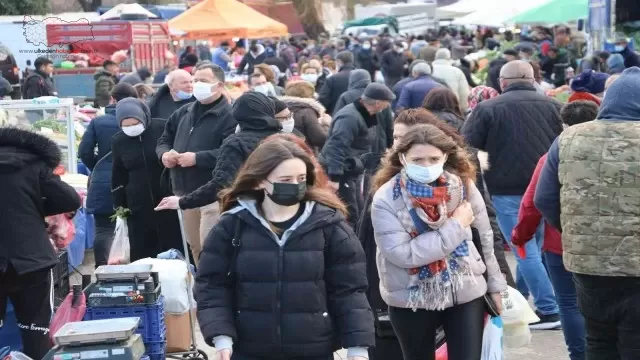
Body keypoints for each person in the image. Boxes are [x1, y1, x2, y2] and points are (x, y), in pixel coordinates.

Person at [194, 139, 374, 360]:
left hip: (313, 348)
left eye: (301, 179)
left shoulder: (330, 226)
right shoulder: (232, 226)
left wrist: (358, 346)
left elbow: (350, 290)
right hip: (249, 348)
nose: (295, 185)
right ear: (260, 181)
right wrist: (221, 335)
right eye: (285, 180)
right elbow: (211, 285)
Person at [371, 124, 507, 360]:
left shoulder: (462, 187)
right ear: (402, 158)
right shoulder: (386, 197)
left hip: (465, 288)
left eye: (433, 158)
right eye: (418, 159)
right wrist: (456, 226)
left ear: (445, 156)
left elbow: (485, 240)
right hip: (411, 295)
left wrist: (496, 286)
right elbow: (402, 254)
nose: (426, 166)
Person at [534, 67, 640, 359]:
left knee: (598, 340)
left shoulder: (569, 138)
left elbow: (544, 198)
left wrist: (577, 231)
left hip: (589, 264)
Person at [463, 60, 563, 329]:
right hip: (546, 188)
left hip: (506, 190)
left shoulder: (487, 109)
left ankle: (549, 309)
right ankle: (533, 299)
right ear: (532, 79)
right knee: (538, 249)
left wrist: (484, 172)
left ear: (502, 83)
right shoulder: (554, 106)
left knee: (525, 250)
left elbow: (468, 150)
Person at [512, 100, 598, 360]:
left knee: (569, 304)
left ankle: (579, 355)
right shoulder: (613, 151)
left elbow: (533, 201)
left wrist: (521, 236)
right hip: (605, 246)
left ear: (564, 124)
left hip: (560, 243)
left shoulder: (553, 154)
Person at [0, 127, 80, 359]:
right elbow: (70, 198)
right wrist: (35, 208)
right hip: (31, 261)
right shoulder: (34, 165)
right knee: (35, 331)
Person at [155, 63, 236, 264]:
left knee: (211, 246)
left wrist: (197, 158)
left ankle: (215, 287)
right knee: (195, 246)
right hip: (185, 192)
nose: (196, 85)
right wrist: (164, 155)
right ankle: (203, 287)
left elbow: (231, 152)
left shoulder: (230, 116)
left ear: (219, 86)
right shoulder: (184, 112)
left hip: (213, 193)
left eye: (203, 81)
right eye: (195, 80)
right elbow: (163, 139)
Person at [154, 92, 285, 212]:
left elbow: (221, 184)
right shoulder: (287, 138)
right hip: (286, 205)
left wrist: (183, 202)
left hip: (250, 209)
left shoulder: (236, 143)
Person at [111, 98, 183, 262]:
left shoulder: (162, 127)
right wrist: (120, 206)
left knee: (173, 242)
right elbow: (118, 173)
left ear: (143, 117)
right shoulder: (118, 140)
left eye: (134, 123)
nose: (131, 128)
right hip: (138, 203)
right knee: (143, 248)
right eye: (126, 125)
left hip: (168, 196)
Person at [78, 82, 138, 267]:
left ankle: (102, 269)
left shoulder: (98, 122)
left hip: (104, 181)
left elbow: (84, 151)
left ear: (112, 99)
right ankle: (136, 266)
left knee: (103, 229)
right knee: (136, 226)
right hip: (133, 180)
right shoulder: (140, 121)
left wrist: (98, 166)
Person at [319, 83, 394, 228]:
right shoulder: (349, 117)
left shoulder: (367, 114)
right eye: (387, 103)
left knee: (358, 208)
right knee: (351, 211)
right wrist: (335, 178)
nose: (388, 106)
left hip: (352, 168)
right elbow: (336, 146)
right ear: (378, 103)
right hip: (340, 171)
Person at [281, 81, 329, 151]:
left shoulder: (278, 110)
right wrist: (327, 126)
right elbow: (319, 138)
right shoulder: (306, 111)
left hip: (282, 151)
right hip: (304, 152)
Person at [318, 51, 356, 115]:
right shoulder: (362, 77)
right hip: (359, 115)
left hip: (336, 114)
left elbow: (323, 99)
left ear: (339, 61)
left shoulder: (333, 78)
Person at [431, 49, 469, 113]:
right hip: (452, 106)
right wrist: (463, 109)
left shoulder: (429, 70)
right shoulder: (457, 71)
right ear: (449, 58)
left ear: (435, 57)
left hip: (432, 107)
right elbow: (464, 93)